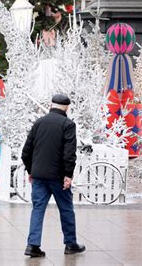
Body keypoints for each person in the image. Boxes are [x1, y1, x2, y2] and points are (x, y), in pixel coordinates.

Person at [21, 94, 85, 258]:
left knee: (37, 209)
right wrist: (68, 175)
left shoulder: (38, 123)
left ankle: (32, 245)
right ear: (67, 108)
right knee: (66, 209)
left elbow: (26, 151)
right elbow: (69, 153)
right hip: (57, 177)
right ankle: (70, 244)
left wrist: (30, 171)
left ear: (51, 105)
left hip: (39, 176)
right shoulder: (68, 125)